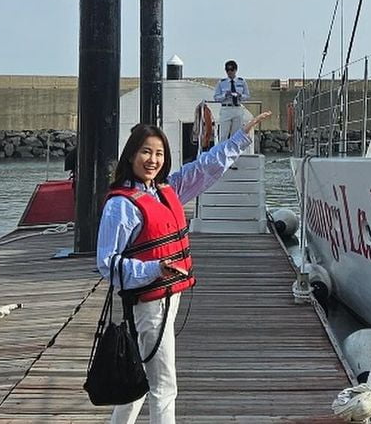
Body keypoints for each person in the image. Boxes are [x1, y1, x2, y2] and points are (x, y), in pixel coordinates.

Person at [97, 111, 271, 424]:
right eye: (146, 152)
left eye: (160, 153)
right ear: (132, 155)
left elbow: (204, 169)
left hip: (167, 298)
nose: (153, 160)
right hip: (148, 305)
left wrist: (241, 138)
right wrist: (153, 269)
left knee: (139, 378)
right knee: (164, 385)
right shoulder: (121, 205)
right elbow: (108, 263)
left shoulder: (165, 190)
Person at [213, 60, 251, 145]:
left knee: (236, 135)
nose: (229, 72)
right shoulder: (221, 83)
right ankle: (221, 154)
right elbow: (216, 97)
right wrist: (225, 95)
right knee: (223, 134)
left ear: (235, 70)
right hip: (226, 108)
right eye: (227, 70)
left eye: (231, 69)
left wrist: (240, 95)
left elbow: (247, 96)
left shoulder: (242, 82)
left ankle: (234, 154)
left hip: (237, 108)